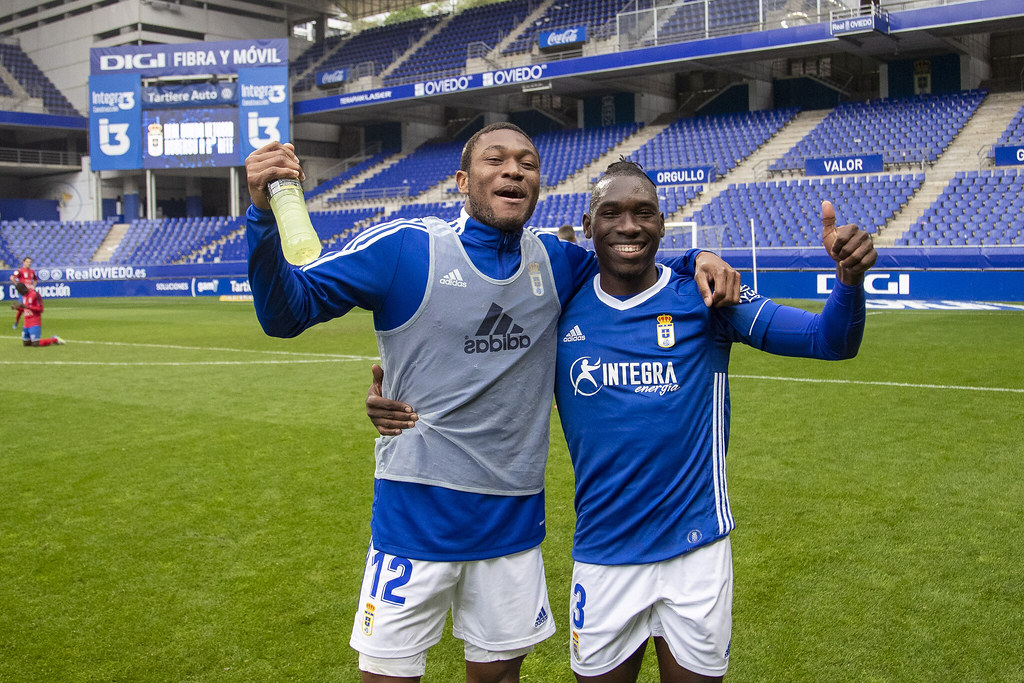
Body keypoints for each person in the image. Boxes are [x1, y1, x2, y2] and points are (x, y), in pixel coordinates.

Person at [244, 124, 740, 683]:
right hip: (416, 515)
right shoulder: (405, 248)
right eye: (496, 159)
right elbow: (285, 314)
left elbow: (631, 261)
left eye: (527, 163)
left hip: (513, 521)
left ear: (538, 185)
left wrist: (699, 257)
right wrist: (262, 215)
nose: (513, 170)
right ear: (462, 180)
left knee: (499, 677)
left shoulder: (557, 263)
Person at [368, 161, 877, 682]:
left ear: (662, 223)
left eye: (643, 213)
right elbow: (478, 347)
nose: (629, 226)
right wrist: (401, 395)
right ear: (589, 227)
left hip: (696, 551)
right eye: (611, 213)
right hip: (603, 552)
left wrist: (849, 280)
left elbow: (828, 340)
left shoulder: (706, 298)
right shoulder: (558, 306)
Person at [12, 280, 65, 347]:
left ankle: (55, 339)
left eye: (19, 292)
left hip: (34, 322)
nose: (19, 293)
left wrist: (27, 307)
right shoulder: (24, 296)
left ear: (23, 289)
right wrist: (16, 308)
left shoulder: (35, 294)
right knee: (26, 344)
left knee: (36, 344)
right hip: (26, 323)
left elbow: (41, 309)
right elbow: (25, 309)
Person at [10, 257, 37, 329]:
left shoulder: (32, 272)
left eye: (30, 262)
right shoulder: (20, 271)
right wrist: (17, 286)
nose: (29, 263)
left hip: (30, 293)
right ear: (23, 262)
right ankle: (16, 322)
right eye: (27, 262)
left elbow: (35, 280)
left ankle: (30, 323)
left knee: (31, 307)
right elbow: (12, 278)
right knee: (21, 308)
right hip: (23, 293)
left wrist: (33, 286)